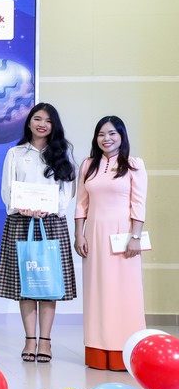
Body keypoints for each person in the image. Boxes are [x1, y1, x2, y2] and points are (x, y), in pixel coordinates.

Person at [0, 103, 77, 363]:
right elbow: (7, 190)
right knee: (27, 283)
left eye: (48, 121)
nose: (42, 124)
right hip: (21, 222)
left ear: (54, 126)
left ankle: (46, 341)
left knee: (48, 283)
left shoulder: (63, 152)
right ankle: (30, 339)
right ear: (29, 122)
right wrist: (20, 208)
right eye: (38, 119)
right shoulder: (15, 153)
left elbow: (66, 191)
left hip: (51, 222)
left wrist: (51, 209)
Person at [74, 116, 147, 371]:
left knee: (125, 293)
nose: (107, 139)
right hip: (94, 236)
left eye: (112, 133)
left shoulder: (134, 165)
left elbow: (138, 204)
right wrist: (79, 234)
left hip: (123, 238)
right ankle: (97, 352)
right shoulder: (88, 165)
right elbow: (81, 203)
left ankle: (124, 353)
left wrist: (135, 237)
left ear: (122, 136)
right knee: (96, 293)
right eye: (101, 134)